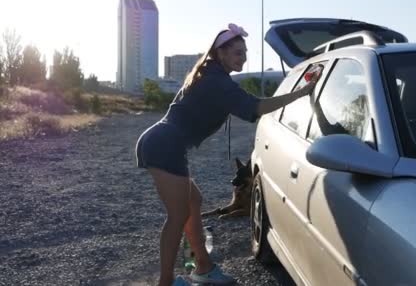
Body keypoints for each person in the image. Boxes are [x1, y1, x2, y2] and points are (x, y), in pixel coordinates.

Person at [135, 23, 320, 286]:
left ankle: (203, 267)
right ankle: (166, 282)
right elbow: (256, 108)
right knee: (177, 216)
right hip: (164, 145)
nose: (242, 57)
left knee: (192, 203)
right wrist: (300, 94)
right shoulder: (216, 80)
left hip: (165, 143)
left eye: (244, 53)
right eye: (236, 52)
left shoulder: (211, 74)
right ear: (220, 53)